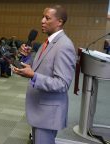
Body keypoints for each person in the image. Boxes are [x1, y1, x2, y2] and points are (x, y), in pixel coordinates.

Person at [13, 5, 76, 144]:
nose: (42, 21)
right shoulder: (47, 43)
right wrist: (26, 58)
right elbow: (39, 68)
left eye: (47, 18)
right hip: (40, 110)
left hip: (48, 113)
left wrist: (33, 76)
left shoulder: (64, 46)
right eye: (42, 17)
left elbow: (62, 84)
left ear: (59, 22)